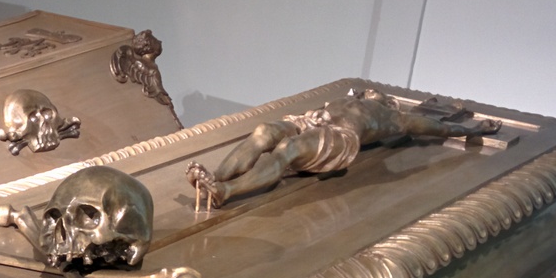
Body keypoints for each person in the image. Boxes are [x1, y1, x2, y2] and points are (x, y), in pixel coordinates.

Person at [187, 89, 502, 209]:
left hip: (340, 137)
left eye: (383, 95)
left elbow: (438, 127)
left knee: (288, 149)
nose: (373, 92)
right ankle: (215, 177)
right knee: (264, 131)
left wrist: (472, 130)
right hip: (313, 119)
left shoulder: (395, 118)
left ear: (391, 103)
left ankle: (226, 191)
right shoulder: (346, 97)